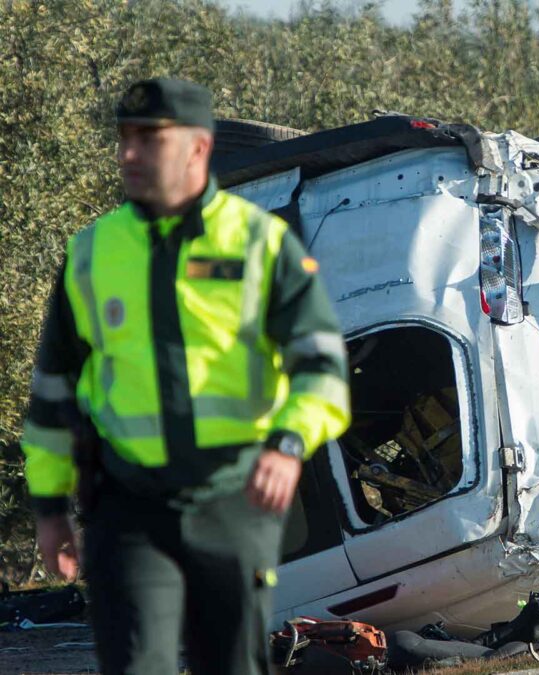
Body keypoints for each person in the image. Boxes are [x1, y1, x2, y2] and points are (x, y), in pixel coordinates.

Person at [20, 78, 350, 675]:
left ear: (198, 148)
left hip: (232, 505)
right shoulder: (91, 253)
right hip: (126, 509)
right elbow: (51, 392)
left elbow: (323, 369)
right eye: (124, 138)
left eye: (149, 139)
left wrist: (288, 442)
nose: (128, 154)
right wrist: (48, 507)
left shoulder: (260, 244)